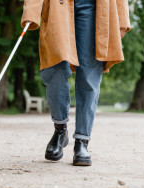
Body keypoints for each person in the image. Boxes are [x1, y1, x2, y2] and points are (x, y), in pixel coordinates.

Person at [21, 0, 131, 166]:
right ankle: (60, 129)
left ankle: (82, 141)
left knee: (89, 74)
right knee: (54, 67)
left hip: (94, 7)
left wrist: (122, 18)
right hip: (58, 7)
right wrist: (31, 11)